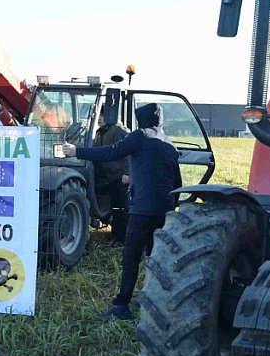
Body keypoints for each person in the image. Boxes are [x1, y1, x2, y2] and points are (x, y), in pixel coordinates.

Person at [61, 103, 182, 320]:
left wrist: (76, 151)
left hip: (142, 210)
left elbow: (111, 152)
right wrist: (171, 208)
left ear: (142, 120)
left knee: (130, 258)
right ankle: (150, 297)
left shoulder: (140, 136)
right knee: (154, 257)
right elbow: (177, 182)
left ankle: (121, 306)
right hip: (163, 211)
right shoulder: (169, 145)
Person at [93, 107, 130, 245]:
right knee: (115, 208)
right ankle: (116, 236)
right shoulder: (100, 132)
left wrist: (127, 173)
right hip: (109, 177)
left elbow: (128, 153)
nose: (100, 118)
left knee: (122, 209)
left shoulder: (118, 131)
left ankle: (123, 240)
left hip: (119, 177)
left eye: (103, 115)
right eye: (99, 115)